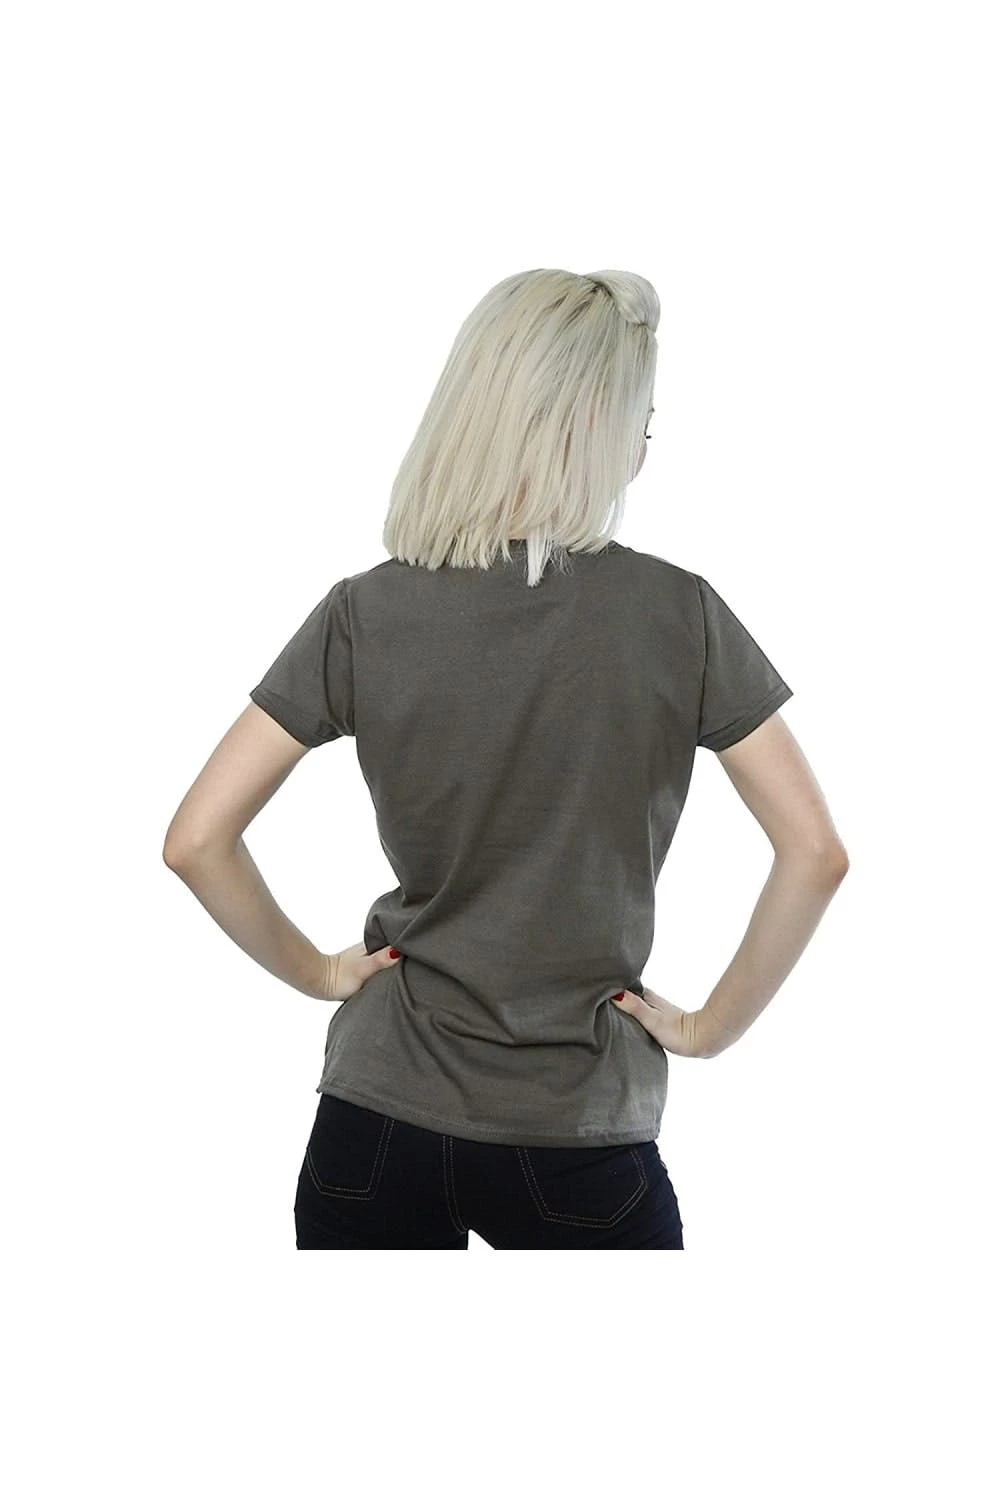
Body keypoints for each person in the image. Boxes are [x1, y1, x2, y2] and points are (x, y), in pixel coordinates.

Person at [163, 267, 849, 1250]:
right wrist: (709, 1029)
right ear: (590, 428)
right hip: (576, 1128)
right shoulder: (678, 614)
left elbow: (196, 840)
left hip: (373, 1121)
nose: (643, 449)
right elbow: (814, 853)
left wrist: (318, 972)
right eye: (641, 423)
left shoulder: (366, 611)